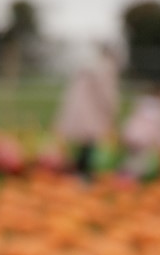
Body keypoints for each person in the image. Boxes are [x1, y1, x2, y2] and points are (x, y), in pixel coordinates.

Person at [51, 41, 122, 178]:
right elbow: (107, 93)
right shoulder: (107, 68)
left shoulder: (91, 66)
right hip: (92, 108)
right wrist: (112, 110)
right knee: (90, 140)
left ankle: (76, 169)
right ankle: (83, 172)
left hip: (79, 105)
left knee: (81, 141)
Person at [119, 83, 160, 181]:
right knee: (141, 160)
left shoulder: (144, 102)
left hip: (131, 133)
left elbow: (134, 117)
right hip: (143, 137)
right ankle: (129, 179)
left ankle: (123, 174)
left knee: (131, 157)